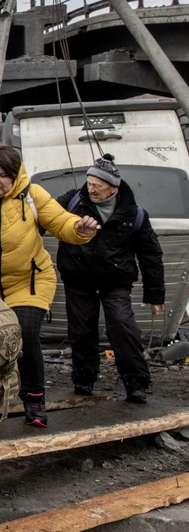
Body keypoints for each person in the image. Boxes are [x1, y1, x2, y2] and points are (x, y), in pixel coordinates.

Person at [0, 146, 99, 427]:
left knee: (26, 332)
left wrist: (80, 228)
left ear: (15, 175)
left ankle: (34, 397)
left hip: (29, 281)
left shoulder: (32, 195)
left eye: (4, 175)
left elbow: (60, 221)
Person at [56, 154, 164, 403]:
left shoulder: (135, 214)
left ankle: (136, 382)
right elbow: (47, 218)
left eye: (98, 186)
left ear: (113, 188)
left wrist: (155, 293)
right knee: (81, 330)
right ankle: (84, 378)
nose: (91, 189)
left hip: (115, 282)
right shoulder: (72, 201)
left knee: (122, 326)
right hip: (78, 279)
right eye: (89, 183)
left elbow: (150, 254)